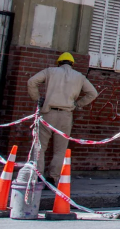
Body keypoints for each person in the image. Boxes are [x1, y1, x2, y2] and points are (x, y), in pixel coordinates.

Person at [27, 52, 98, 183]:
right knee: (60, 150)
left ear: (59, 63)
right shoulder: (79, 77)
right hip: (66, 115)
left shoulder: (50, 71)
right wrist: (78, 104)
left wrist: (37, 98)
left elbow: (32, 82)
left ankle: (37, 176)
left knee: (40, 147)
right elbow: (93, 93)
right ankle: (53, 178)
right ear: (72, 64)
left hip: (48, 113)